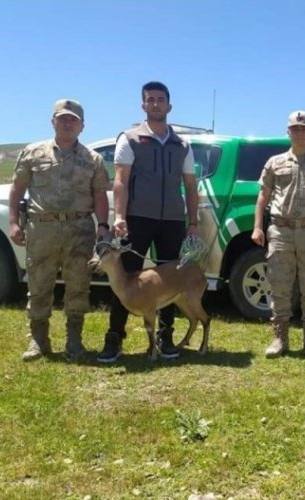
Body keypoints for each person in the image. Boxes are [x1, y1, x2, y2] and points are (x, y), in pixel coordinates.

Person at [97, 81, 199, 363]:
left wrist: (192, 222)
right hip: (136, 219)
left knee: (169, 279)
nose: (156, 103)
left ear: (169, 105)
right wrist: (119, 216)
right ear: (143, 105)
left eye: (161, 99)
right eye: (150, 99)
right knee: (125, 276)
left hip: (173, 221)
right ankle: (114, 338)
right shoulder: (129, 138)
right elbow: (120, 181)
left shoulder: (183, 145)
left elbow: (191, 186)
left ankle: (165, 338)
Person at [9, 99, 110, 361]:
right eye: (62, 118)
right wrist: (13, 222)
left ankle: (74, 342)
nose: (68, 122)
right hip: (42, 228)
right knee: (39, 284)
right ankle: (38, 341)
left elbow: (100, 195)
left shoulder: (94, 159)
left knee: (79, 285)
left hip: (79, 229)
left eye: (73, 119)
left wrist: (103, 226)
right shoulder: (33, 153)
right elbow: (17, 188)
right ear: (53, 121)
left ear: (82, 126)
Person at [251, 110, 305, 359]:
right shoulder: (274, 163)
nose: (299, 132)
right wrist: (257, 226)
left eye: (304, 128)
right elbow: (263, 197)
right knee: (279, 286)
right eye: (295, 128)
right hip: (281, 230)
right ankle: (280, 338)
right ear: (288, 132)